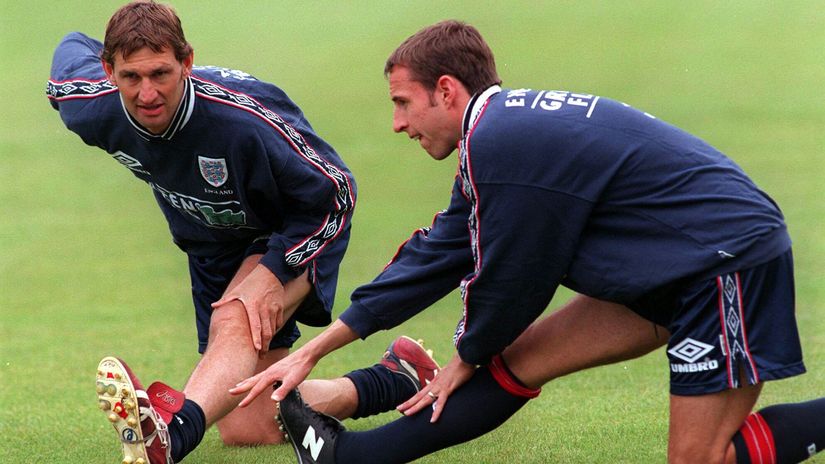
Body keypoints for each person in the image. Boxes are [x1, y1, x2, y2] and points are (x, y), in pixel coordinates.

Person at [232, 19, 825, 464]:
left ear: (446, 90)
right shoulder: (497, 135)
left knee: (700, 460)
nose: (397, 124)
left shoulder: (501, 141)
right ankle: (353, 457)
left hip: (721, 264)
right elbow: (442, 252)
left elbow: (515, 279)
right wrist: (319, 348)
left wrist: (466, 351)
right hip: (675, 267)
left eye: (402, 103)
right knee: (515, 360)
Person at [49, 2, 443, 463]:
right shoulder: (88, 103)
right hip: (212, 245)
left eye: (161, 73)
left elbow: (337, 191)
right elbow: (69, 47)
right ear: (108, 70)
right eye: (131, 77)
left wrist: (274, 270)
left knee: (235, 313)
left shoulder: (243, 122)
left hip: (291, 227)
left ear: (187, 62)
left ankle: (174, 434)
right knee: (248, 424)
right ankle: (397, 377)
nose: (147, 92)